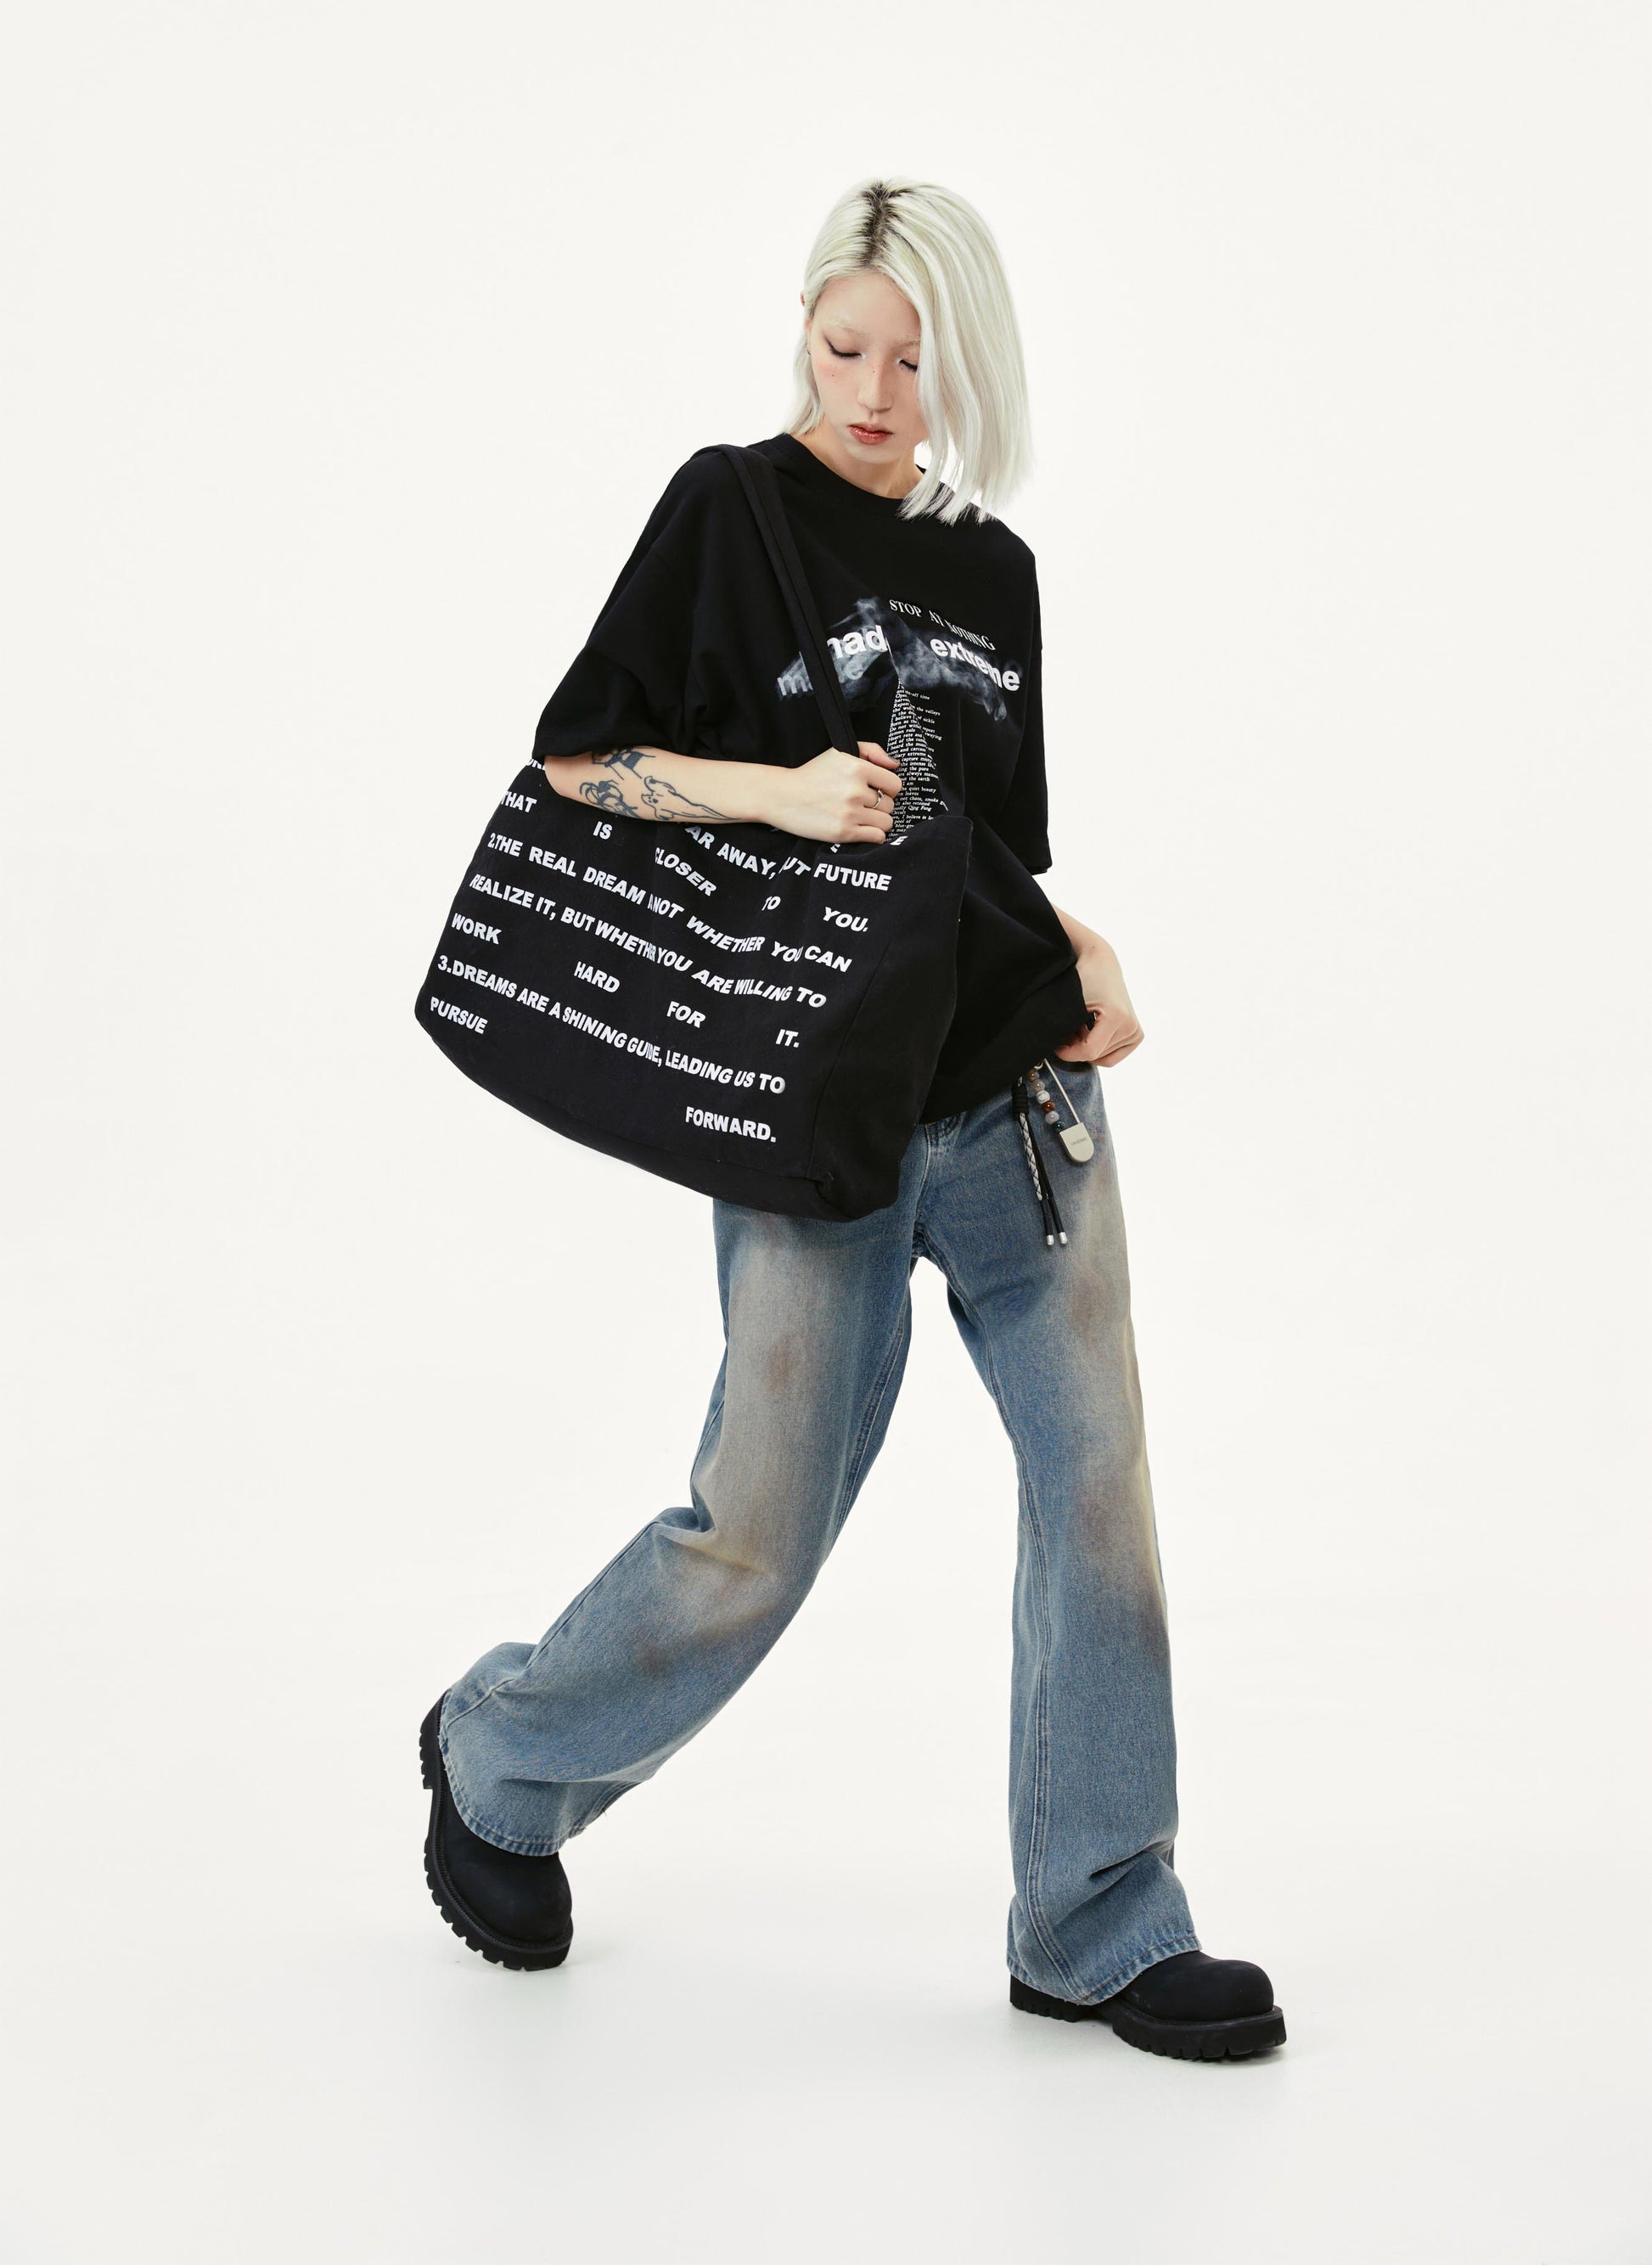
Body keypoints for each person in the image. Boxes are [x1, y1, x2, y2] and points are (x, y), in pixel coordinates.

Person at [419, 176, 1285, 2062]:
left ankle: (1097, 1917)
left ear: (967, 366)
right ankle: (500, 1755)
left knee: (1099, 1499)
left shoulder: (995, 569)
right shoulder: (729, 510)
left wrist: (1080, 943)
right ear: (803, 331)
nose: (877, 394)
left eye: (915, 362)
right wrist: (783, 793)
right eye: (846, 349)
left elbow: (982, 847)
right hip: (818, 1108)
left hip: (1019, 1089)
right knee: (758, 1529)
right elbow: (577, 760)